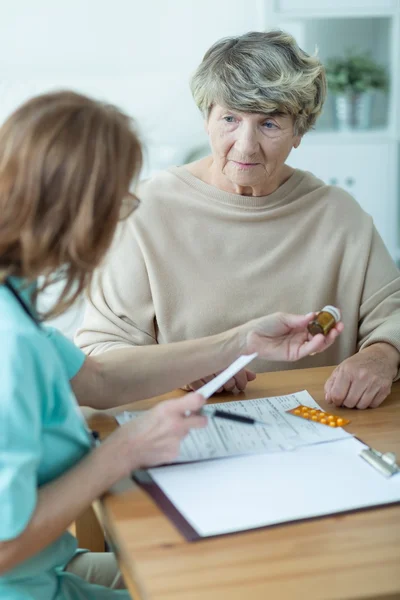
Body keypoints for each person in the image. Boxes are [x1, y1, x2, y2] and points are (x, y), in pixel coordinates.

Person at [0, 91, 342, 600]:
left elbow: (98, 379)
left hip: (47, 570)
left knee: (235, 574)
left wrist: (240, 341)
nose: (122, 217)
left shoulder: (14, 295)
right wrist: (123, 452)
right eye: (118, 201)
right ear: (76, 210)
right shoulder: (10, 346)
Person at [76, 29, 400, 410]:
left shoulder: (340, 216)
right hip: (184, 431)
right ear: (206, 119)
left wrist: (380, 356)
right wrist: (184, 367)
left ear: (299, 131)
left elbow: (391, 316)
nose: (245, 146)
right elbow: (100, 354)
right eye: (230, 118)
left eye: (269, 124)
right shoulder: (145, 212)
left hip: (319, 430)